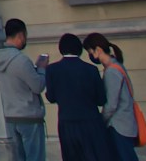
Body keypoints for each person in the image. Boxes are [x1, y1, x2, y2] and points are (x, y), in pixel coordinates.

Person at [45, 33, 115, 161]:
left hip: (67, 122)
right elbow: (101, 100)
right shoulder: (91, 69)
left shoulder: (51, 70)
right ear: (79, 49)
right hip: (91, 121)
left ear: (61, 49)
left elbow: (51, 97)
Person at [0, 18, 48, 161]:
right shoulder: (21, 60)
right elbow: (38, 86)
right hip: (29, 116)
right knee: (35, 157)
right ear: (21, 35)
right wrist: (41, 69)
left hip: (11, 116)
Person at [84, 33, 139, 161]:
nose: (90, 56)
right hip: (125, 124)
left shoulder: (111, 71)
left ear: (98, 50)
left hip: (118, 126)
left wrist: (100, 122)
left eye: (90, 52)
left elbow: (111, 105)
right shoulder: (117, 66)